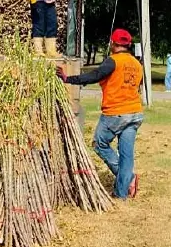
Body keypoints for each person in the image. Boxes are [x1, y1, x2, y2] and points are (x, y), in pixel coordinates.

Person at [56, 29, 142, 199]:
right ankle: (121, 193)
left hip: (116, 112)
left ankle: (128, 178)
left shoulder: (113, 61)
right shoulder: (137, 64)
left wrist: (69, 79)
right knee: (127, 155)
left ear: (113, 43)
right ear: (128, 45)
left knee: (99, 143)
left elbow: (95, 75)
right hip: (135, 113)